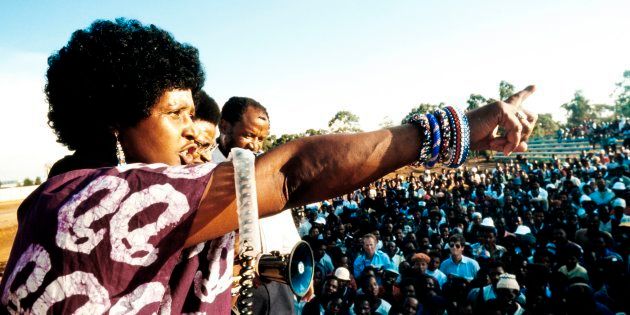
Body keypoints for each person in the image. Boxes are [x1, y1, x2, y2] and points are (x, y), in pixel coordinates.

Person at [0, 18, 538, 313]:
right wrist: (449, 130)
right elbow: (290, 173)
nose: (194, 131)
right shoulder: (91, 204)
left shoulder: (70, 192)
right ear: (113, 120)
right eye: (175, 114)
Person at [209, 96, 299, 314]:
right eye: (248, 135)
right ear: (225, 126)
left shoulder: (265, 167)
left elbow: (283, 219)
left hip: (278, 282)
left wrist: (298, 269)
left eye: (261, 139)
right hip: (233, 286)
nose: (255, 146)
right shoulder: (205, 170)